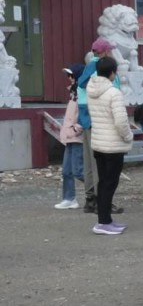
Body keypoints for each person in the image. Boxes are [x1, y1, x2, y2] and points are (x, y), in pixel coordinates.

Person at [86, 56, 133, 235]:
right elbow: (121, 121)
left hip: (98, 143)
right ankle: (103, 222)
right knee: (109, 184)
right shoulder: (113, 93)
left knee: (103, 182)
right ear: (112, 72)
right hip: (113, 145)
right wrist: (128, 136)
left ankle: (105, 220)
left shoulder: (92, 90)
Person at [77, 38, 124, 215]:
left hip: (86, 112)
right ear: (103, 51)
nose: (111, 52)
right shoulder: (98, 65)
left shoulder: (91, 65)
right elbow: (82, 82)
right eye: (109, 50)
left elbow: (80, 83)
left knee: (89, 159)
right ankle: (101, 200)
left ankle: (90, 199)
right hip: (97, 114)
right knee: (100, 160)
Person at [55, 64, 85, 210]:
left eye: (71, 75)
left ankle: (99, 189)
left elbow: (84, 115)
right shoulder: (73, 93)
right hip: (70, 136)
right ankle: (69, 198)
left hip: (77, 137)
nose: (69, 78)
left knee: (78, 170)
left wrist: (76, 129)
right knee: (66, 170)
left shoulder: (82, 92)